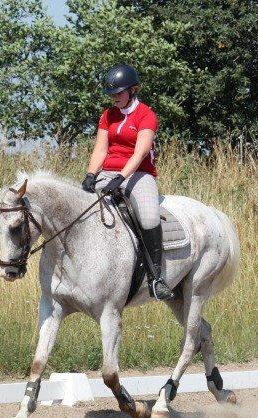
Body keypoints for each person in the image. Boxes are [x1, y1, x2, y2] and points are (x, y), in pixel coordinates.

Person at [82, 64, 174, 301]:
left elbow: (140, 153)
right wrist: (91, 175)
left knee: (149, 217)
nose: (114, 98)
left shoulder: (146, 115)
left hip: (139, 174)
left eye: (119, 93)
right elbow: (101, 149)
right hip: (108, 173)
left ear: (133, 90)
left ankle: (156, 278)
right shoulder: (107, 115)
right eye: (111, 94)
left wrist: (121, 178)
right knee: (83, 209)